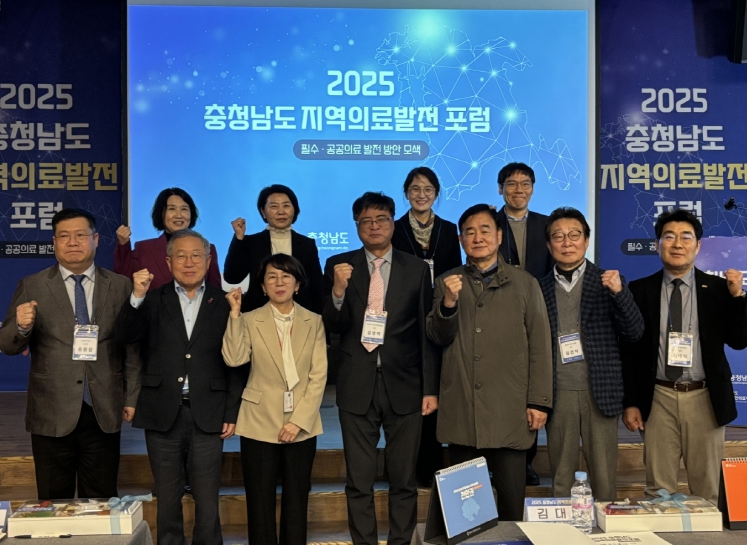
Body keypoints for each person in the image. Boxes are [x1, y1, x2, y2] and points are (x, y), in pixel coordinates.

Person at [322, 192, 439, 545]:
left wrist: (429, 388)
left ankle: (401, 542)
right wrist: (338, 291)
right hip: (356, 385)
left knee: (404, 480)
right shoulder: (338, 265)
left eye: (381, 219)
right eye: (366, 221)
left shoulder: (416, 268)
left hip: (405, 385)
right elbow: (332, 326)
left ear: (392, 222)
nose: (374, 226)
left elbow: (425, 333)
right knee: (358, 481)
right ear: (356, 225)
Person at [0, 208, 141, 500]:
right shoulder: (33, 285)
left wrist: (131, 397)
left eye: (80, 235)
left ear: (96, 239)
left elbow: (131, 348)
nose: (72, 242)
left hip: (103, 408)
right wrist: (22, 327)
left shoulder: (120, 286)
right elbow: (8, 345)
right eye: (64, 236)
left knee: (101, 500)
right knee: (53, 500)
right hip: (51, 410)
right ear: (54, 242)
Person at [115, 229, 242, 545]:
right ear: (168, 262)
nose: (189, 262)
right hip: (161, 411)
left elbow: (237, 364)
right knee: (167, 497)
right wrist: (136, 296)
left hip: (209, 411)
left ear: (208, 261)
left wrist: (231, 411)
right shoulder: (151, 299)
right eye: (181, 256)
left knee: (207, 497)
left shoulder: (224, 302)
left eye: (196, 255)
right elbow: (125, 336)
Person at [426, 203, 552, 521]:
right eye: (469, 232)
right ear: (460, 240)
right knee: (465, 515)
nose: (477, 237)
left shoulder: (525, 283)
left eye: (485, 230)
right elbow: (436, 337)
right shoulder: (446, 282)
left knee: (511, 509)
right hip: (462, 410)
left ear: (498, 236)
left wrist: (539, 401)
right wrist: (449, 304)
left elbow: (540, 345)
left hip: (510, 410)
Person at [620, 209, 747, 504]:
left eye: (686, 237)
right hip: (658, 397)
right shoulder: (640, 289)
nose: (677, 244)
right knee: (658, 491)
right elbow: (631, 352)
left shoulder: (719, 289)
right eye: (669, 237)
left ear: (698, 246)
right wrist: (631, 402)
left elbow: (739, 341)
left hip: (705, 397)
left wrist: (738, 297)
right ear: (657, 244)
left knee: (707, 489)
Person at [538, 207, 644, 500]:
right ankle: (563, 526)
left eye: (574, 235)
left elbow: (634, 332)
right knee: (561, 474)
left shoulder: (609, 281)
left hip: (600, 391)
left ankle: (604, 526)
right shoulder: (538, 288)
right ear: (549, 244)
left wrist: (619, 293)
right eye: (558, 236)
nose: (567, 242)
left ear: (586, 240)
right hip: (558, 392)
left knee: (604, 476)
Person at [222, 253, 328, 545]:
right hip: (258, 419)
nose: (279, 283)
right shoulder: (248, 319)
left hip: (302, 422)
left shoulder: (314, 321)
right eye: (272, 277)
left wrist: (298, 422)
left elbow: (318, 376)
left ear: (297, 284)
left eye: (286, 276)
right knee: (259, 500)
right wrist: (234, 315)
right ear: (262, 286)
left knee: (297, 498)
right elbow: (234, 359)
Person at [391, 166, 461, 487]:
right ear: (406, 193)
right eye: (415, 189)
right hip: (404, 316)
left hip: (439, 313)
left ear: (436, 193)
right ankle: (408, 466)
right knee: (411, 394)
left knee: (437, 390)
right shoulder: (394, 229)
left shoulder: (448, 229)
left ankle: (433, 466)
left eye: (428, 189)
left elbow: (455, 272)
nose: (422, 195)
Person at [495, 162, 554, 485]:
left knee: (528, 390)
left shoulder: (547, 226)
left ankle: (525, 462)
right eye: (511, 183)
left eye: (525, 183)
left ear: (532, 188)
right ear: (500, 188)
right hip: (496, 315)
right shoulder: (489, 223)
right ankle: (494, 461)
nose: (518, 189)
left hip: (537, 315)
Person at [223, 184, 324, 313]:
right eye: (274, 206)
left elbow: (317, 286)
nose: (281, 211)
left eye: (286, 206)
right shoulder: (252, 242)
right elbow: (232, 277)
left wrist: (319, 317)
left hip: (300, 313)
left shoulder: (307, 244)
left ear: (295, 210)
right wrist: (239, 238)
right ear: (263, 212)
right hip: (258, 313)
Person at [114, 187, 222, 290]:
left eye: (184, 209)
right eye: (172, 209)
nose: (179, 215)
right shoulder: (144, 249)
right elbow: (124, 283)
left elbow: (215, 293)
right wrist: (123, 245)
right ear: (161, 213)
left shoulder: (208, 248)